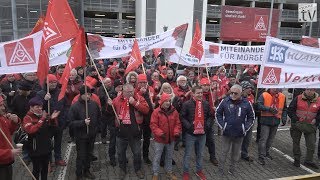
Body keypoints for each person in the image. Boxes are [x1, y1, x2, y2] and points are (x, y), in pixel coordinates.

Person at [112, 83, 149, 180]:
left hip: (135, 133)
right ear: (122, 92)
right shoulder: (116, 100)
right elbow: (109, 113)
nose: (129, 94)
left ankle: (138, 169)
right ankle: (122, 169)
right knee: (120, 153)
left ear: (134, 90)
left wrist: (135, 103)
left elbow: (146, 110)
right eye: (127, 92)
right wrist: (108, 106)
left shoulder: (139, 98)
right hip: (121, 133)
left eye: (131, 91)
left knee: (137, 153)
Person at [216, 84, 254, 175]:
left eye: (235, 93)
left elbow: (251, 117)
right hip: (227, 133)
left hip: (239, 134)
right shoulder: (225, 101)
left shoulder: (247, 103)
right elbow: (218, 113)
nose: (233, 95)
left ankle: (232, 170)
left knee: (235, 154)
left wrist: (244, 128)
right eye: (231, 92)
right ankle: (220, 170)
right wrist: (223, 126)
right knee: (223, 152)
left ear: (241, 93)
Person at [68, 85, 101, 180]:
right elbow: (70, 123)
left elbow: (98, 117)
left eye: (89, 94)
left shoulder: (94, 104)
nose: (88, 96)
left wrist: (97, 128)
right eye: (86, 94)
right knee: (81, 156)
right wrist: (82, 122)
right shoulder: (74, 107)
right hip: (81, 136)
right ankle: (79, 174)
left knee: (89, 155)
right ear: (81, 94)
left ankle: (87, 171)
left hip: (91, 134)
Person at [180, 86, 213, 180]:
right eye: (198, 93)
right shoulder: (187, 104)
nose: (200, 95)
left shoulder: (206, 104)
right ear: (192, 94)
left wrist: (207, 125)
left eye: (201, 93)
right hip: (191, 134)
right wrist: (189, 126)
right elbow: (182, 117)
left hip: (202, 134)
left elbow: (210, 116)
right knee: (188, 154)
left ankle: (199, 170)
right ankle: (185, 172)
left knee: (200, 153)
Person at [23, 96, 60, 180]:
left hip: (46, 148)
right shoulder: (27, 118)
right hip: (35, 150)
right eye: (37, 107)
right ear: (31, 107)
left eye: (41, 106)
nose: (40, 109)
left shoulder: (44, 116)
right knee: (36, 170)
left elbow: (54, 130)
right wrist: (42, 119)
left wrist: (53, 120)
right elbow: (31, 130)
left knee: (45, 170)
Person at [150, 93, 181, 180]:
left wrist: (176, 132)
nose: (168, 103)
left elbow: (177, 123)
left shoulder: (174, 111)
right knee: (157, 156)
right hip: (160, 139)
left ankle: (169, 172)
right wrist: (161, 134)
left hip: (171, 138)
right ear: (161, 102)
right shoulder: (156, 112)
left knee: (169, 156)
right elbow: (153, 125)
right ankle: (155, 173)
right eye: (166, 101)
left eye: (169, 101)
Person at [288, 88, 320, 169]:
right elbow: (290, 110)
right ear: (305, 90)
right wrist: (295, 119)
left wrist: (316, 120)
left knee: (311, 144)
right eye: (308, 89)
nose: (310, 91)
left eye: (312, 90)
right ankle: (297, 159)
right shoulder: (298, 98)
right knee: (296, 142)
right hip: (297, 125)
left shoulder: (319, 100)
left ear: (315, 90)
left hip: (310, 126)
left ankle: (308, 160)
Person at [257, 88, 287, 165]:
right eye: (274, 87)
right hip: (265, 121)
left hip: (276, 121)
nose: (276, 89)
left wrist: (284, 118)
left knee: (270, 139)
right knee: (263, 139)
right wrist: (269, 109)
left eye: (278, 87)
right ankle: (261, 156)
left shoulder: (282, 96)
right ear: (270, 87)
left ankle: (266, 152)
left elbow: (284, 108)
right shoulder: (264, 95)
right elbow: (259, 106)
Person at [135, 74, 155, 164]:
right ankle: (137, 157)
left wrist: (155, 103)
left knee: (147, 139)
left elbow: (153, 100)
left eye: (144, 82)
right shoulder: (135, 91)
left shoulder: (150, 89)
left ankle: (146, 156)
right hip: (138, 120)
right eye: (141, 82)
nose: (143, 84)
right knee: (138, 140)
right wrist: (140, 93)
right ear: (138, 83)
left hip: (148, 119)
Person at [0, 96, 21, 180]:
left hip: (6, 161)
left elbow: (9, 131)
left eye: (2, 105)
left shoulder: (2, 118)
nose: (3, 108)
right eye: (0, 105)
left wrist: (14, 122)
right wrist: (10, 152)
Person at [199, 78, 218, 166]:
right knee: (199, 140)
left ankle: (212, 157)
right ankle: (198, 157)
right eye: (204, 85)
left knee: (211, 139)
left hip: (209, 119)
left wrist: (215, 109)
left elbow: (215, 105)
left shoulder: (212, 94)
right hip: (199, 119)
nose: (206, 87)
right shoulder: (198, 94)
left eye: (207, 85)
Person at [239, 81, 255, 162]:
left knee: (247, 139)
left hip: (249, 122)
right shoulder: (238, 97)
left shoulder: (251, 96)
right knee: (238, 139)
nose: (250, 89)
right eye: (248, 88)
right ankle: (235, 154)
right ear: (243, 89)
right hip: (240, 122)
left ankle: (244, 154)